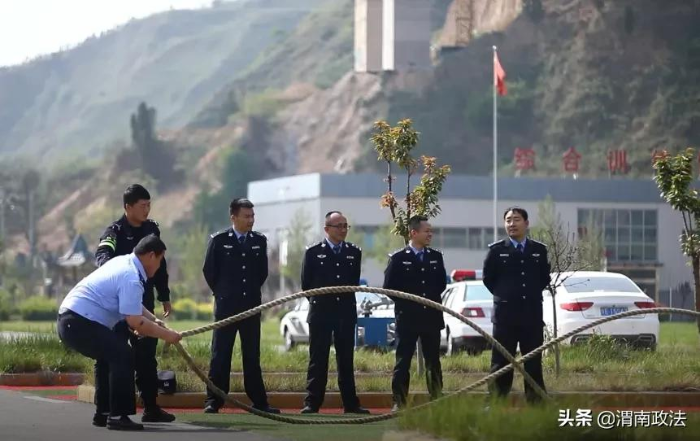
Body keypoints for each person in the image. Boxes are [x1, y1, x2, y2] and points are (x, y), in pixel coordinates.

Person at [57, 235, 182, 431]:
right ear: (150, 256)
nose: (159, 266)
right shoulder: (131, 275)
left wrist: (153, 319)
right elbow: (135, 322)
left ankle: (104, 413)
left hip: (71, 321)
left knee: (109, 356)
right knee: (123, 354)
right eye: (160, 260)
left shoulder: (123, 262)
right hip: (79, 322)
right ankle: (118, 416)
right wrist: (169, 336)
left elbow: (133, 306)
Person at [94, 184, 175, 423]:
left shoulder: (152, 229)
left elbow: (160, 263)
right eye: (142, 206)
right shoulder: (114, 231)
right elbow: (101, 258)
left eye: (149, 205)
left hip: (144, 303)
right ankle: (104, 410)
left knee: (146, 357)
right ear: (128, 207)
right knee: (111, 354)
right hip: (116, 304)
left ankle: (151, 407)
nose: (147, 210)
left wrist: (164, 294)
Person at [202, 198, 279, 414]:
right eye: (246, 216)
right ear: (233, 217)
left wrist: (250, 293)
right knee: (220, 355)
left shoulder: (259, 241)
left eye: (252, 216)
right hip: (226, 307)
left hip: (251, 306)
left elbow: (262, 273)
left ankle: (259, 401)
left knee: (252, 356)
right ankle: (213, 400)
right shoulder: (218, 241)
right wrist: (223, 293)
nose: (250, 220)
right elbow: (209, 271)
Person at [299, 211, 370, 414]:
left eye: (345, 225)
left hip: (345, 313)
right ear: (327, 229)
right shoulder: (313, 252)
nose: (343, 230)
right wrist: (323, 303)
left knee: (346, 360)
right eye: (338, 226)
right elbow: (307, 285)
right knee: (318, 359)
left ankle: (350, 404)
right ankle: (312, 403)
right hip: (321, 312)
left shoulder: (353, 252)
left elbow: (353, 283)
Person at [482, 207, 551, 403]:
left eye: (516, 220)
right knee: (501, 362)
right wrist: (506, 295)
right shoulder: (496, 251)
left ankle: (536, 403)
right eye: (508, 220)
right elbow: (489, 279)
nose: (512, 224)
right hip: (505, 317)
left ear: (526, 224)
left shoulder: (538, 250)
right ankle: (495, 402)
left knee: (533, 362)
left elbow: (543, 278)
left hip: (531, 315)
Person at [383, 215, 447, 412]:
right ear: (413, 233)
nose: (430, 234)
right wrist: (409, 304)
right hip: (407, 319)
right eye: (426, 231)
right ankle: (399, 401)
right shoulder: (399, 258)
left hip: (431, 318)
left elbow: (441, 284)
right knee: (403, 362)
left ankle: (436, 399)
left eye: (431, 231)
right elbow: (389, 288)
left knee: (433, 362)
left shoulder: (436, 257)